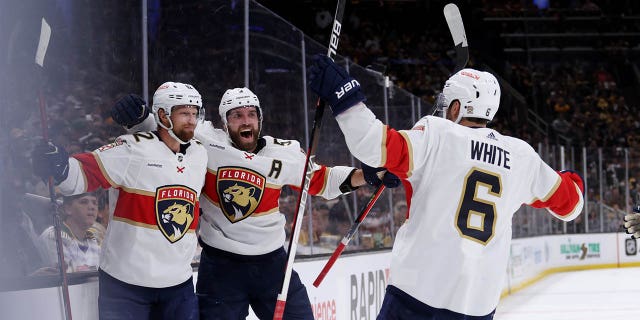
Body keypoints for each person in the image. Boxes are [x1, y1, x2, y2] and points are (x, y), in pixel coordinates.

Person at [308, 55, 585, 319]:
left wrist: (344, 94)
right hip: (477, 307)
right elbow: (572, 205)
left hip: (416, 296)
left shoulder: (437, 133)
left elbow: (372, 144)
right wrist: (569, 177)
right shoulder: (521, 156)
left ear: (456, 107)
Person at [111, 87, 400, 319]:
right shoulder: (205, 142)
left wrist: (370, 175)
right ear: (225, 123)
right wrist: (139, 118)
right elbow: (168, 133)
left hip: (272, 266)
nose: (246, 121)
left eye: (251, 114)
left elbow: (321, 180)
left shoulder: (284, 152)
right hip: (221, 269)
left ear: (260, 119)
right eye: (237, 115)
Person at [32, 82, 207, 320]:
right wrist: (60, 166)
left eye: (195, 113)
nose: (191, 120)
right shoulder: (133, 149)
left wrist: (144, 122)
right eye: (184, 113)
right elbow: (81, 175)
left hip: (179, 285)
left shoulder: (200, 153)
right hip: (126, 285)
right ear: (164, 114)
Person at [38, 192, 101, 272]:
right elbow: (68, 276)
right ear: (67, 209)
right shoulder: (54, 236)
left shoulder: (93, 241)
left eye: (95, 203)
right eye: (84, 202)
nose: (92, 207)